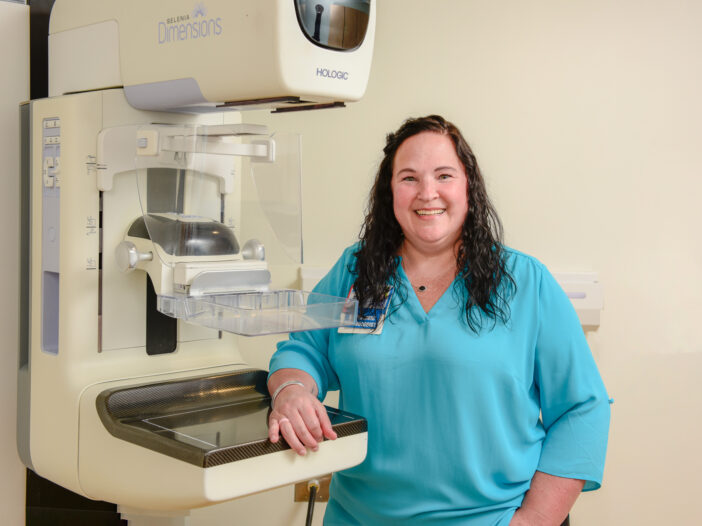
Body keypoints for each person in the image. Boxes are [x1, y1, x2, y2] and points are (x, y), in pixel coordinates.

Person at [267, 115, 610, 525]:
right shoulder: (358, 271)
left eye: (444, 175)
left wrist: (535, 518)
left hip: (492, 517)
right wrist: (290, 390)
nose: (427, 193)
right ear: (389, 192)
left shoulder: (524, 281)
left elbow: (581, 409)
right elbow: (304, 350)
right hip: (358, 517)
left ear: (469, 188)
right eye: (409, 178)